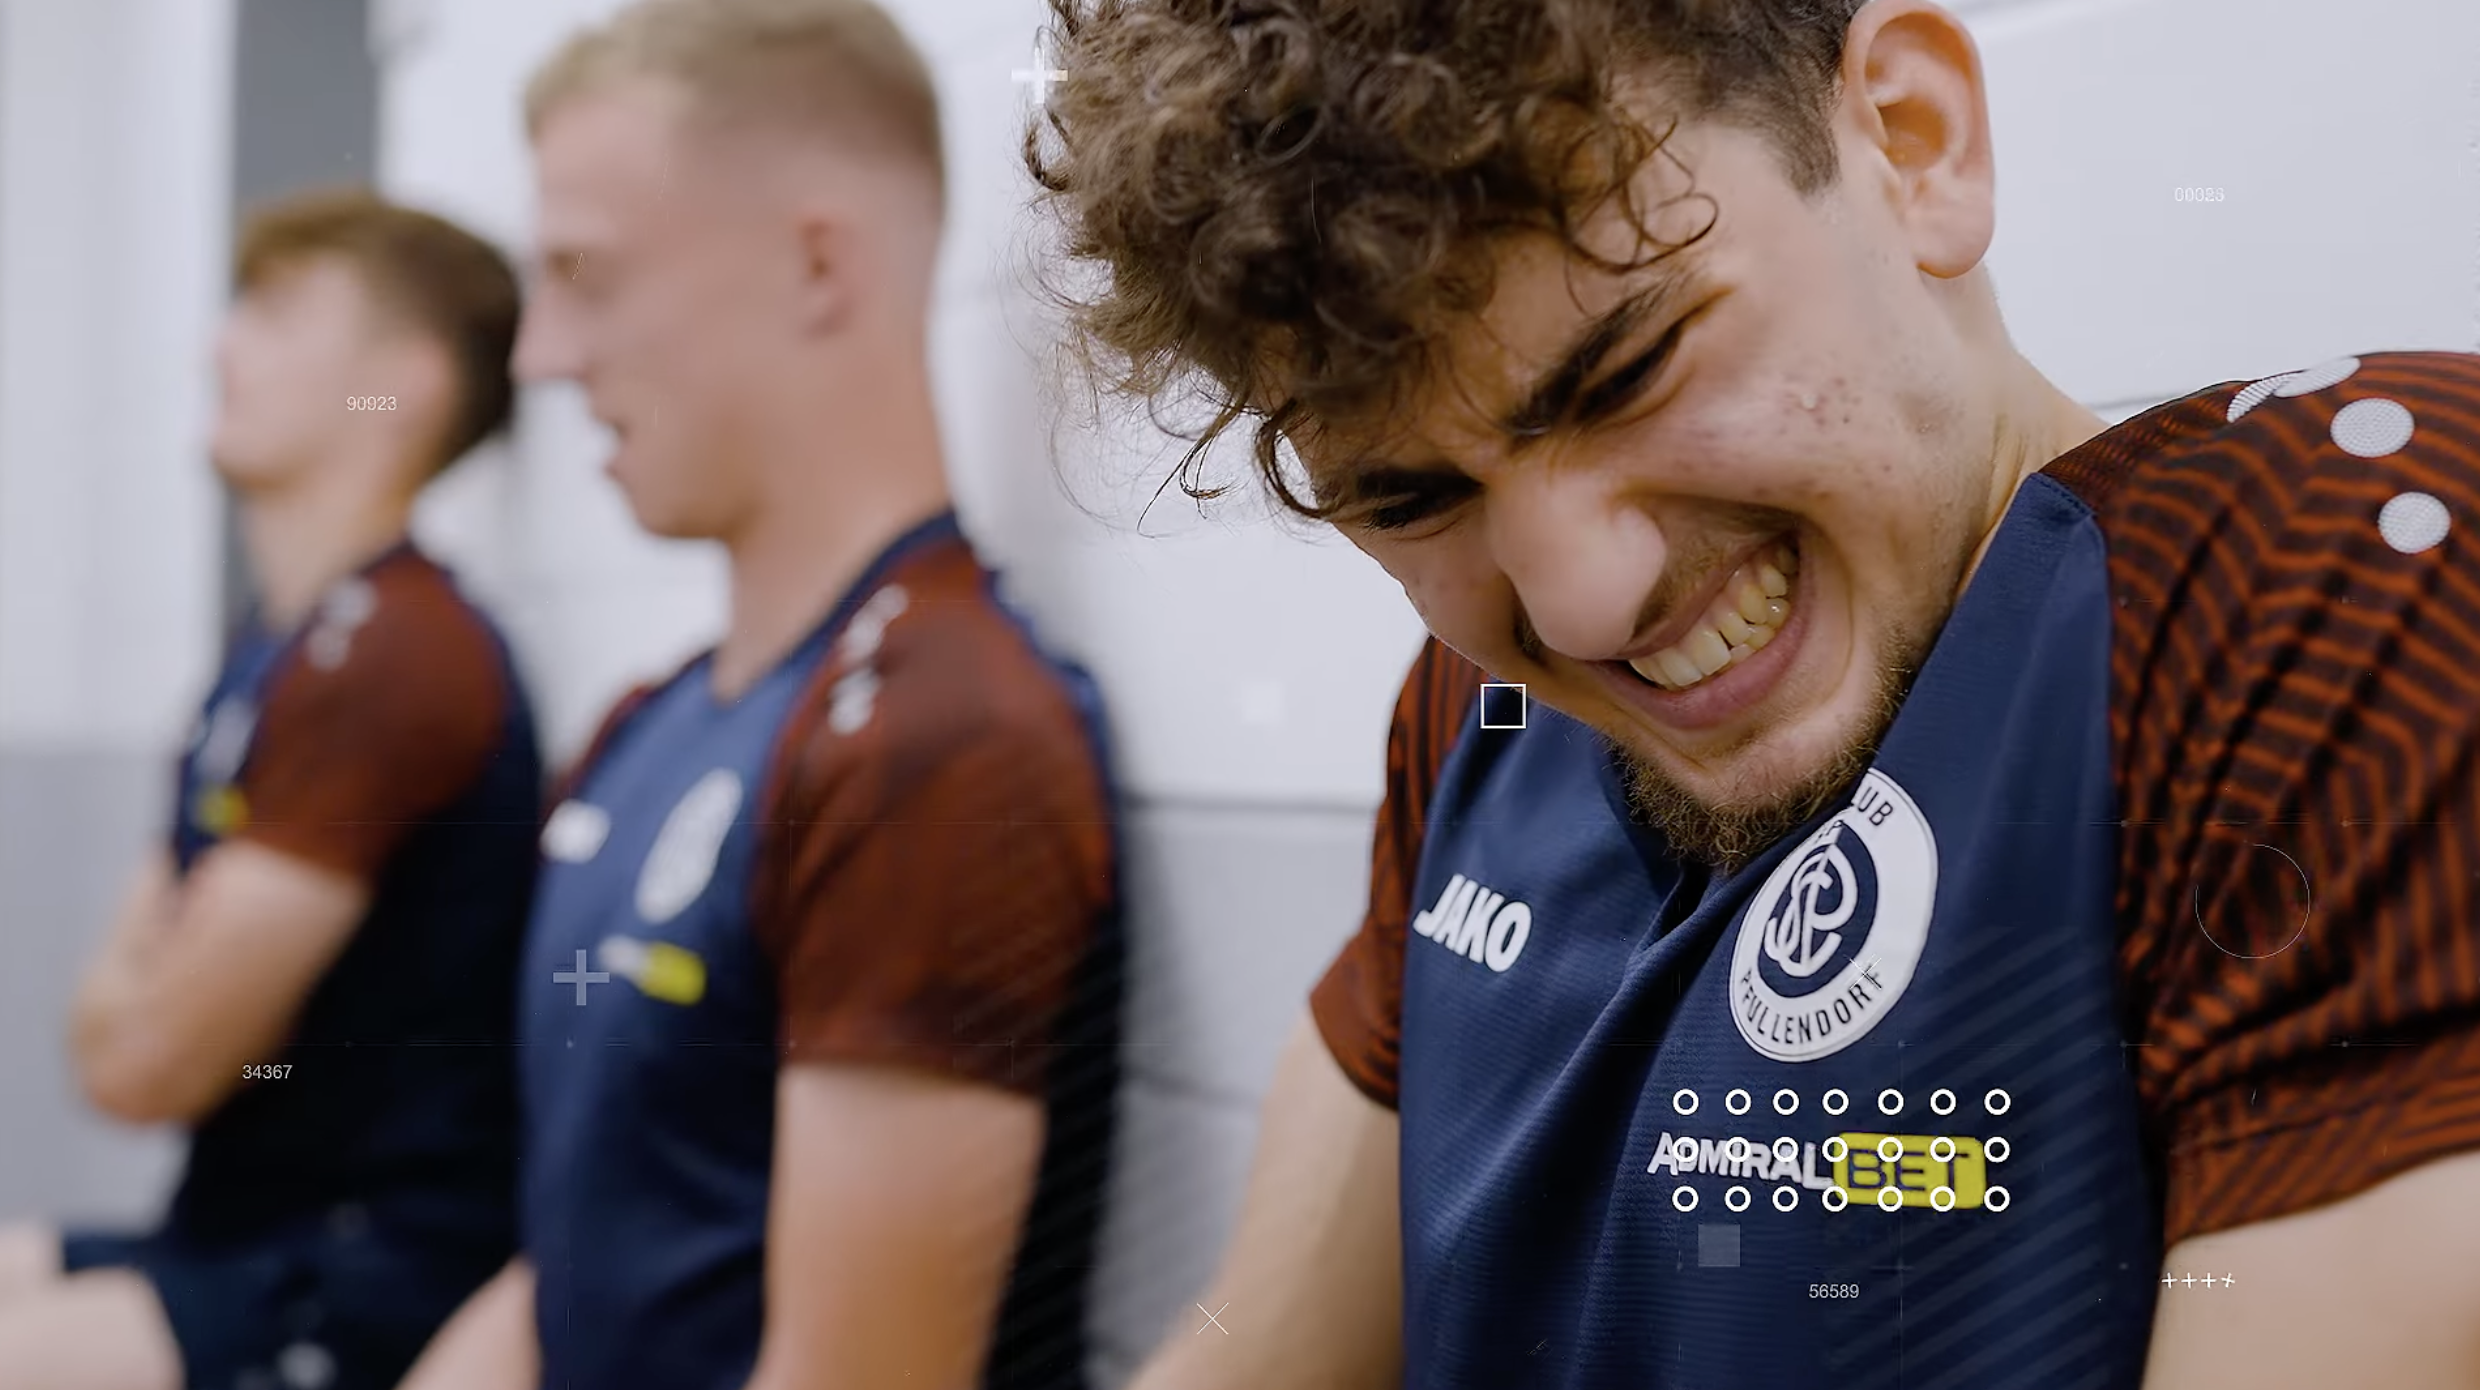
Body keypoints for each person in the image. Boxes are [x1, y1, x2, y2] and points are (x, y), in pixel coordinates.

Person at [1024, 0, 2480, 1385]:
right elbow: (1260, 1353)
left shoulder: (2344, 571)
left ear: (1911, 142)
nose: (1579, 603)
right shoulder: (1485, 723)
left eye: (1631, 371)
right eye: (1412, 498)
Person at [397, 2, 1124, 1388]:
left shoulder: (935, 741)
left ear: (815, 263)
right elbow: (579, 1260)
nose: (542, 355)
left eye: (586, 274)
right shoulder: (648, 726)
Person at [0, 190, 542, 1390]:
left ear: (396, 389)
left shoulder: (394, 657)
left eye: (278, 315)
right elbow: (111, 1043)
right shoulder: (279, 650)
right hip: (231, 1230)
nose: (220, 348)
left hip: (358, 1269)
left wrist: (158, 994)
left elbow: (146, 1065)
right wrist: (156, 1005)